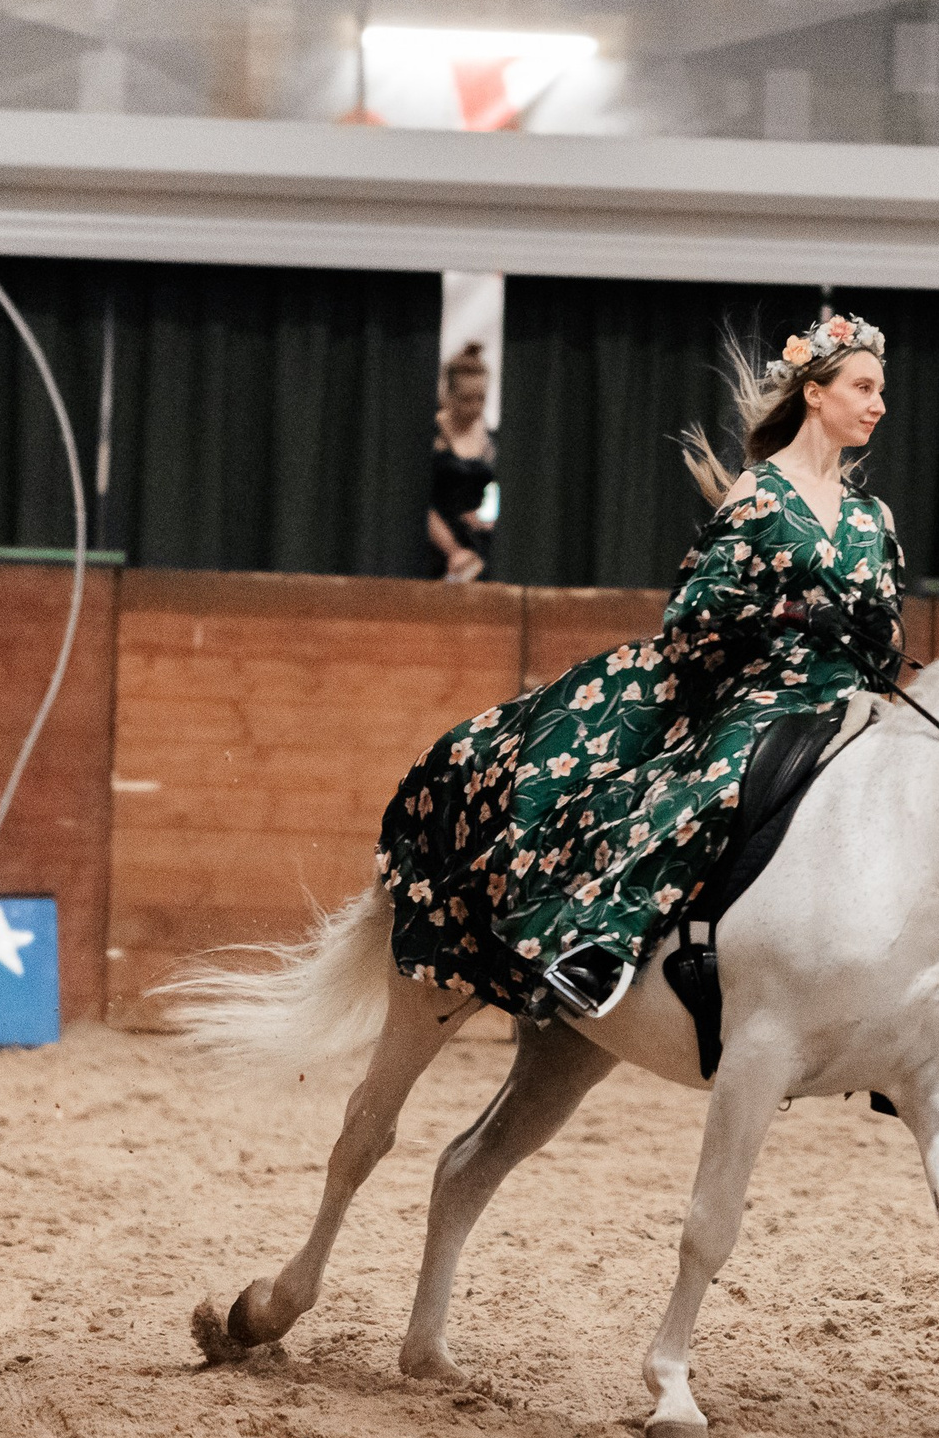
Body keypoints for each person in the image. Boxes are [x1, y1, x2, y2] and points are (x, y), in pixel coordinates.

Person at [376, 309, 906, 1019]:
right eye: (864, 387)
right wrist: (781, 614)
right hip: (763, 701)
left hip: (851, 709)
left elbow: (888, 637)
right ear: (816, 392)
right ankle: (601, 944)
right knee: (718, 789)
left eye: (881, 391)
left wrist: (879, 634)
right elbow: (690, 617)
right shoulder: (760, 495)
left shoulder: (875, 517)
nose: (878, 405)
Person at [427, 343, 497, 582]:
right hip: (437, 543)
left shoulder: (490, 436)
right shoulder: (434, 434)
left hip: (478, 544)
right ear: (449, 395)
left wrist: (488, 518)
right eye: (467, 400)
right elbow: (420, 502)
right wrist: (453, 550)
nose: (475, 408)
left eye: (481, 399)